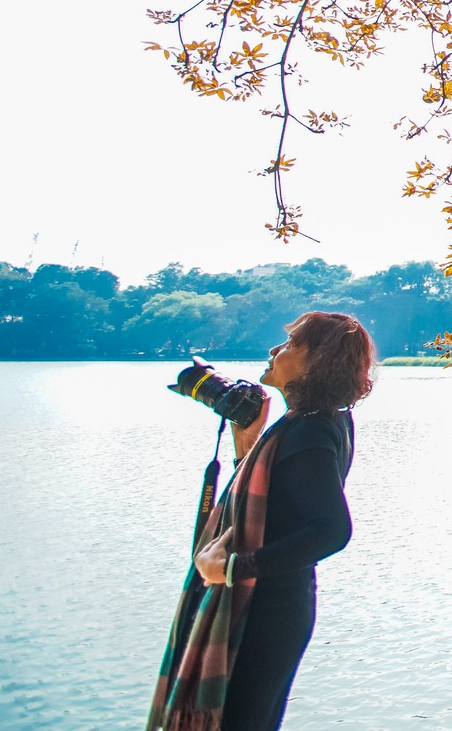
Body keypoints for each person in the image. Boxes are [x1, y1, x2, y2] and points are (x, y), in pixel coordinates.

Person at [148, 311, 374, 731]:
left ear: (316, 361)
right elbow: (279, 504)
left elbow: (331, 530)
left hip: (265, 611)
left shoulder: (309, 432)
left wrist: (233, 569)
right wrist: (247, 446)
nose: (275, 351)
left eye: (289, 345)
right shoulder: (314, 422)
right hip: (271, 605)